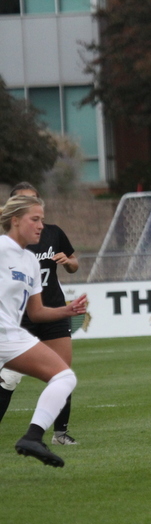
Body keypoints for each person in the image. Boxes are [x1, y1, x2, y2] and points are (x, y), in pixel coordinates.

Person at [0, 194, 86, 467]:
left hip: (10, 334)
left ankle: (33, 437)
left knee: (64, 377)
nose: (41, 226)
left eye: (42, 220)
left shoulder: (29, 262)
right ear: (15, 221)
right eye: (35, 219)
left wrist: (67, 311)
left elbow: (36, 312)